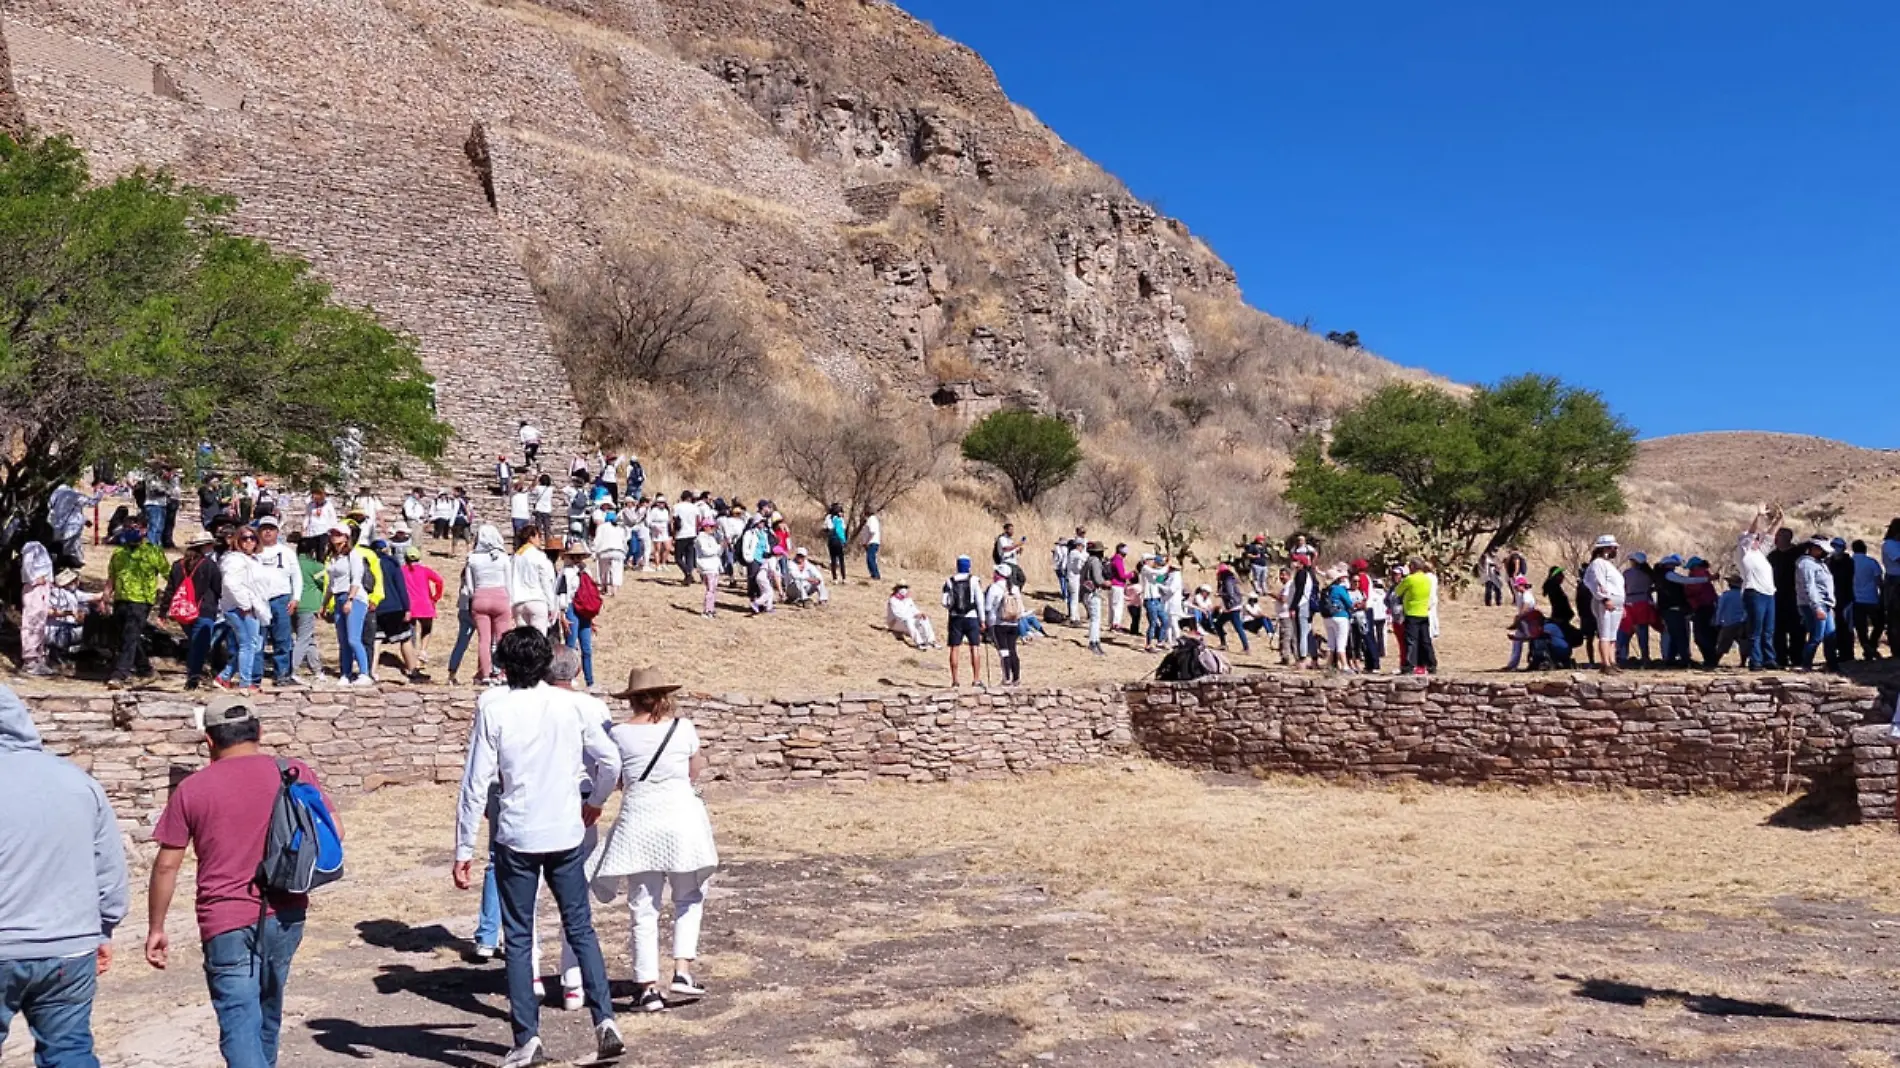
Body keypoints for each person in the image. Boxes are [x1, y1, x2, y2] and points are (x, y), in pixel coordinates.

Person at [454, 628, 624, 1068]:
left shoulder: (493, 707)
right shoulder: (572, 705)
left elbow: (475, 783)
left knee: (519, 935)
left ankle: (527, 1037)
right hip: (564, 829)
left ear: (505, 666)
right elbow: (610, 760)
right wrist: (596, 801)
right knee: (579, 926)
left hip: (517, 833)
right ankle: (604, 1019)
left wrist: (463, 847)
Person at [147, 694, 338, 1068]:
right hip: (286, 911)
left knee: (238, 1021)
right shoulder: (293, 771)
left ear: (209, 742)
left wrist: (156, 926)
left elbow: (167, 866)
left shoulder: (193, 789)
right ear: (260, 732)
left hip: (226, 920)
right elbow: (336, 833)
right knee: (269, 1009)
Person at [0, 684, 128, 1066]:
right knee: (69, 1051)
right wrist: (105, 929)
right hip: (69, 947)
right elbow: (109, 869)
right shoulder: (77, 781)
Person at [586, 667, 718, 1013]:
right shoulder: (683, 729)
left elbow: (612, 775)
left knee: (643, 905)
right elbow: (693, 770)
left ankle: (647, 985)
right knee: (689, 894)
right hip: (680, 817)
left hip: (640, 819)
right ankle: (682, 969)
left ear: (631, 699)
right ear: (664, 697)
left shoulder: (618, 734)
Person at [102, 521, 167, 687]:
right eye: (128, 527)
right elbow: (112, 576)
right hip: (121, 599)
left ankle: (119, 675)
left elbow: (168, 574)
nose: (131, 531)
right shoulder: (119, 552)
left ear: (145, 530)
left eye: (136, 527)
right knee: (127, 637)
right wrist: (106, 597)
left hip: (141, 601)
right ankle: (146, 669)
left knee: (130, 635)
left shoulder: (153, 552)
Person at [160, 534, 225, 689]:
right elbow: (218, 588)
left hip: (182, 612)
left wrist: (162, 612)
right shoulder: (209, 565)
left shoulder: (177, 565)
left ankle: (195, 673)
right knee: (199, 646)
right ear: (204, 547)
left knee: (194, 643)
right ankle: (193, 677)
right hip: (204, 610)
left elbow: (169, 590)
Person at [319, 524, 374, 686]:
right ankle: (346, 672)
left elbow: (356, 579)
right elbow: (332, 584)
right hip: (338, 597)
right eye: (333, 533)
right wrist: (324, 603)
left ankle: (364, 672)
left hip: (354, 597)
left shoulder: (353, 555)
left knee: (353, 638)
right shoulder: (334, 558)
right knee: (343, 640)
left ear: (346, 537)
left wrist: (350, 599)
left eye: (338, 534)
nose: (334, 536)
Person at [252, 517, 303, 687]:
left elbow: (296, 576)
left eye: (271, 529)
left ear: (277, 531)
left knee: (282, 639)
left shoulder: (286, 552)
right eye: (264, 528)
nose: (267, 532)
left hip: (281, 599)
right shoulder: (253, 552)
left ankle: (282, 674)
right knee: (258, 639)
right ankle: (255, 676)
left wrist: (296, 598)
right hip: (258, 600)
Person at [1739, 506, 1781, 670]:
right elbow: (1750, 533)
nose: (1757, 540)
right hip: (1754, 592)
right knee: (1755, 629)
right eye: (1754, 539)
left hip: (1769, 593)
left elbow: (1770, 535)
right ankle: (1755, 661)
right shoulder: (1744, 552)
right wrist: (1759, 516)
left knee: (1768, 629)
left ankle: (1769, 659)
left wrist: (1779, 519)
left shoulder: (1760, 554)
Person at [1582, 535, 1625, 674]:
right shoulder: (1598, 563)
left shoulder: (1608, 564)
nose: (1616, 550)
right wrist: (1605, 599)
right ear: (1606, 548)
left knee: (1613, 634)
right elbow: (1597, 583)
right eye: (1614, 548)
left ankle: (1612, 661)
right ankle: (1605, 663)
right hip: (1607, 601)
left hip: (1617, 602)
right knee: (1605, 633)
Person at [942, 557, 988, 687]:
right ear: (968, 566)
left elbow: (944, 602)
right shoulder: (974, 580)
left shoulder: (949, 581)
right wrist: (982, 620)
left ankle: (955, 680)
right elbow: (980, 600)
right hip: (971, 617)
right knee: (974, 647)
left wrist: (952, 608)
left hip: (955, 617)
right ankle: (976, 679)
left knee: (954, 648)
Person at [558, 545, 598, 685]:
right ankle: (570, 677)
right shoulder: (566, 572)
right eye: (575, 556)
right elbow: (562, 593)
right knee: (571, 645)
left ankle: (590, 680)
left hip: (584, 611)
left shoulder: (586, 571)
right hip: (570, 608)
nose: (577, 559)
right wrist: (562, 614)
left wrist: (591, 617)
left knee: (586, 648)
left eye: (579, 556)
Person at [1796, 536, 1837, 671]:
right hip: (1813, 605)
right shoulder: (1806, 564)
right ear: (1813, 549)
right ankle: (1806, 665)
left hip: (1825, 604)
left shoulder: (1820, 563)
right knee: (1816, 636)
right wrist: (1817, 607)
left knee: (1830, 635)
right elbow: (1810, 587)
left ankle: (1832, 664)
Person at [291, 534, 327, 683]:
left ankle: (317, 669)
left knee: (308, 639)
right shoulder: (316, 566)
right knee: (303, 639)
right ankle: (291, 669)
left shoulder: (292, 563)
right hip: (309, 605)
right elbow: (325, 582)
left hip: (293, 605)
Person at [509, 526, 558, 635]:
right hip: (537, 600)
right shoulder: (539, 556)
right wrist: (552, 605)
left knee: (522, 641)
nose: (540, 540)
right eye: (538, 536)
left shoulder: (514, 557)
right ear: (531, 537)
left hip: (518, 602)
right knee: (538, 640)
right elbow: (545, 581)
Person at [1394, 558, 1438, 676]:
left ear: (1413, 566)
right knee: (1425, 641)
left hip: (1412, 613)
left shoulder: (1410, 579)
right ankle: (1431, 664)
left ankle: (1409, 665)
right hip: (1424, 613)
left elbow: (1397, 591)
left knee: (1411, 641)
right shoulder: (1427, 579)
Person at [1767, 524, 1803, 670]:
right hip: (1776, 596)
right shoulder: (1772, 557)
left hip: (1795, 596)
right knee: (1778, 630)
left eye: (1779, 537)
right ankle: (1780, 657)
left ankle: (1797, 658)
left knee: (1797, 629)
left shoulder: (1798, 555)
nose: (1776, 539)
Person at [403, 547, 446, 668]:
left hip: (409, 605)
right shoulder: (424, 570)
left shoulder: (402, 570)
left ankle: (410, 656)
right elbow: (439, 581)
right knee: (426, 628)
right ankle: (423, 650)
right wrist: (436, 597)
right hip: (425, 603)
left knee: (409, 631)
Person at [985, 565, 1023, 685]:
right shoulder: (1015, 588)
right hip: (1014, 623)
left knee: (1003, 650)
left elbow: (987, 606)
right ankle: (1016, 677)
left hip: (999, 623)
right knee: (1013, 649)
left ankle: (1006, 677)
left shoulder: (994, 588)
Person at [1617, 551, 1656, 667]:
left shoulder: (1627, 573)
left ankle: (1620, 654)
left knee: (1625, 629)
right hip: (1643, 602)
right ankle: (1645, 657)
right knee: (1643, 631)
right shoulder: (1649, 574)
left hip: (1629, 602)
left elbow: (1622, 587)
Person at [1853, 539, 1886, 660]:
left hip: (1856, 599)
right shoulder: (1871, 562)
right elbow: (1879, 581)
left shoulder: (1850, 562)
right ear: (1865, 549)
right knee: (1879, 624)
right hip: (1871, 598)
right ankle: (1871, 645)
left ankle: (1867, 646)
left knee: (1861, 627)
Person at [1827, 538, 1858, 666]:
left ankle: (1848, 653)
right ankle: (1838, 652)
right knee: (1835, 628)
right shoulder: (1829, 562)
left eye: (1838, 546)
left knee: (1847, 628)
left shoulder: (1849, 562)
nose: (1835, 549)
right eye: (1833, 546)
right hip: (1833, 599)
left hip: (1847, 599)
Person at [1707, 573, 1748, 668]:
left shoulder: (1726, 595)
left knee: (1722, 644)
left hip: (1729, 623)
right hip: (1742, 623)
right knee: (1744, 644)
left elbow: (1720, 609)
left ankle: (1714, 662)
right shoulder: (1744, 595)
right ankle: (1743, 662)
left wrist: (1717, 621)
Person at [1502, 575, 1538, 671]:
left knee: (1526, 640)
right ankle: (1512, 664)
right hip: (1524, 621)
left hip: (1528, 622)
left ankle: (1518, 664)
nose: (1516, 588)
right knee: (1517, 642)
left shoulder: (1527, 595)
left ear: (1522, 585)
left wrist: (1518, 618)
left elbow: (1526, 608)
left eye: (1517, 586)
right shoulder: (1523, 595)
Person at [886, 584, 938, 649]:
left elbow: (914, 609)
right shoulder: (893, 600)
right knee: (909, 621)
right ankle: (920, 643)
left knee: (924, 619)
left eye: (905, 587)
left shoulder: (908, 599)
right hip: (896, 623)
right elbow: (898, 615)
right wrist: (913, 616)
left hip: (909, 620)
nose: (904, 589)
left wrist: (920, 614)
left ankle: (931, 641)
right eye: (902, 587)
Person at [1213, 559, 1248, 654]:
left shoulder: (1227, 581)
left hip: (1233, 607)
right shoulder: (1230, 580)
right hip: (1231, 607)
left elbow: (1230, 594)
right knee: (1218, 624)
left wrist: (1220, 594)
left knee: (1238, 628)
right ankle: (1223, 644)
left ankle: (1246, 648)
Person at [1081, 542, 1109, 656]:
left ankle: (1096, 641)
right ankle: (1093, 642)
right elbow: (1098, 579)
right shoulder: (1095, 562)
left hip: (1087, 592)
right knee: (1095, 619)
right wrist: (1106, 583)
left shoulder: (1088, 561)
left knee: (1094, 618)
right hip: (1093, 592)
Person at [592, 510, 628, 596]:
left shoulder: (601, 527)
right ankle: (614, 590)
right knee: (617, 571)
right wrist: (625, 551)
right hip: (618, 551)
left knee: (604, 570)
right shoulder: (620, 528)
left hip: (604, 551)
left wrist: (594, 551)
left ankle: (605, 588)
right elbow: (624, 542)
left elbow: (597, 540)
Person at [694, 520, 724, 618]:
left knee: (713, 589)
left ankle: (711, 609)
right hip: (707, 566)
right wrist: (718, 548)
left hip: (714, 566)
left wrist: (721, 547)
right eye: (711, 527)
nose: (713, 529)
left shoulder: (711, 538)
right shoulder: (700, 538)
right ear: (705, 527)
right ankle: (707, 610)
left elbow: (718, 552)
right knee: (710, 589)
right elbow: (706, 551)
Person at [824, 504, 848, 582]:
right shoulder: (840, 519)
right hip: (839, 540)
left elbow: (826, 527)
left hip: (831, 540)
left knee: (833, 559)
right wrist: (844, 541)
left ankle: (835, 578)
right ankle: (844, 578)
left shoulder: (828, 517)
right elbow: (842, 529)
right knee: (841, 560)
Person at [863, 511, 883, 581]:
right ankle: (873, 574)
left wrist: (867, 542)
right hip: (872, 542)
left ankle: (876, 575)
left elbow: (872, 532)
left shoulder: (871, 520)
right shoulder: (873, 519)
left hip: (872, 542)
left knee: (870, 559)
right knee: (870, 559)